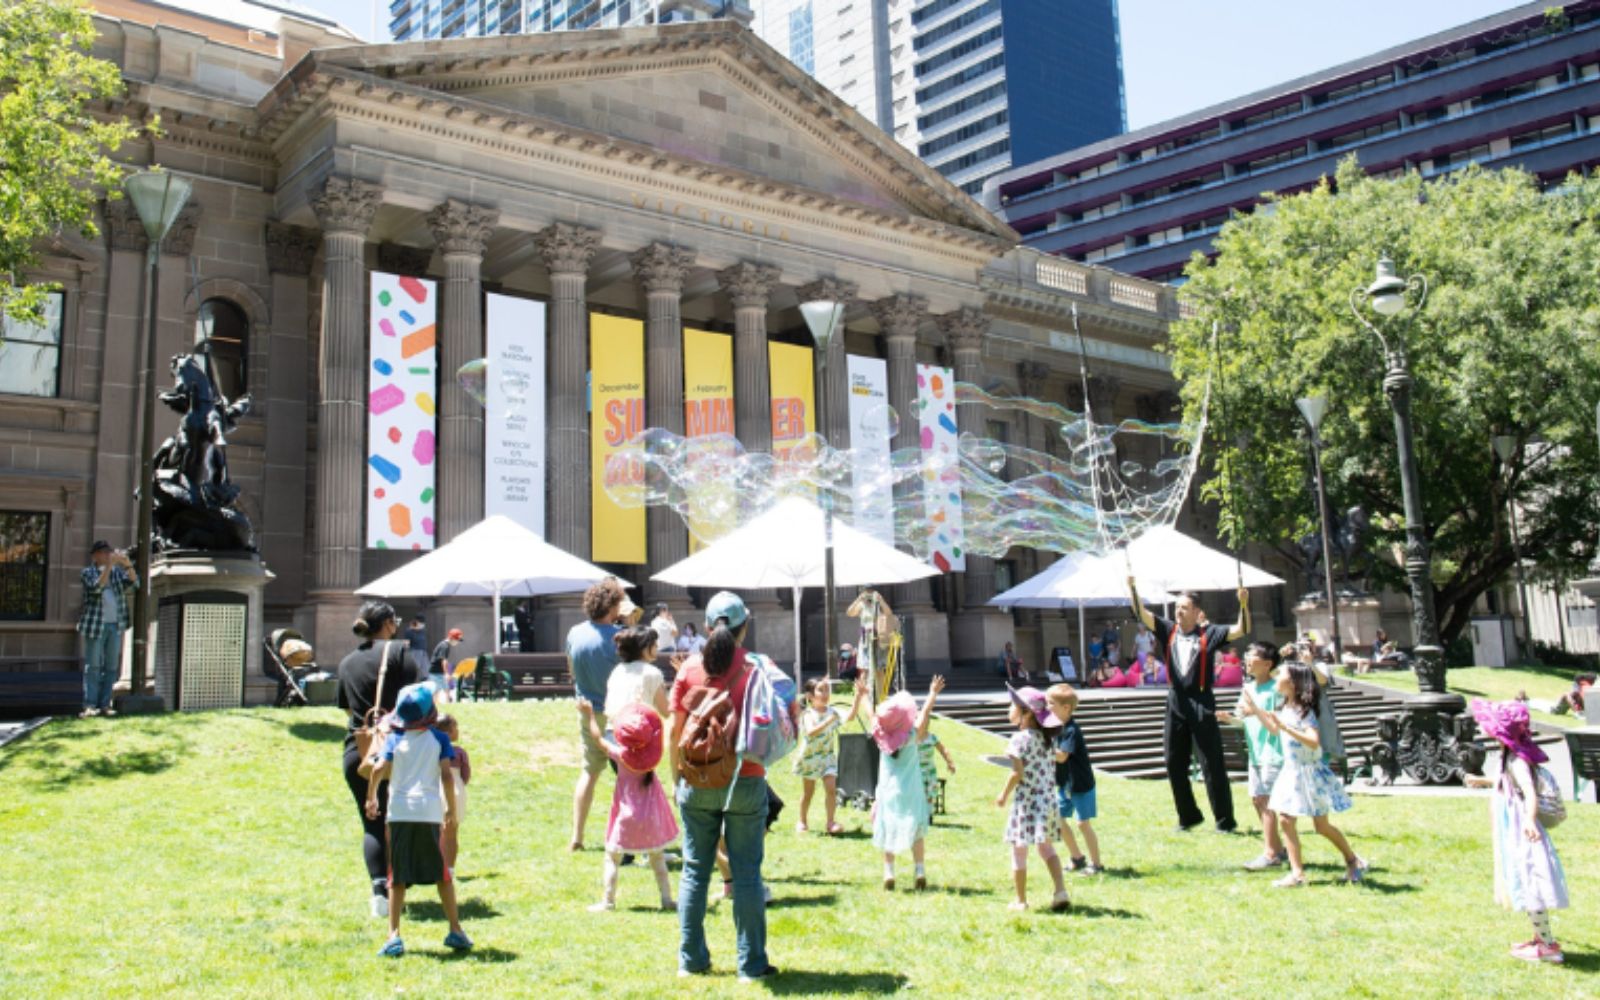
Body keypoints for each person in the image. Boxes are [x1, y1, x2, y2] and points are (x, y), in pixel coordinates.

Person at [669, 591, 784, 982]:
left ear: (705, 628)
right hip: (746, 780)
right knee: (748, 874)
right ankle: (751, 965)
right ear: (745, 627)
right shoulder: (757, 667)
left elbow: (675, 730)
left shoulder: (688, 670)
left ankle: (691, 960)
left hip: (697, 779)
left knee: (694, 870)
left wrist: (676, 777)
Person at [1128, 579, 1250, 833]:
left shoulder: (1210, 633)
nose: (1178, 611)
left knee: (1212, 762)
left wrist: (1244, 604)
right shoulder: (1167, 629)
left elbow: (1241, 629)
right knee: (1173, 761)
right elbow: (1142, 613)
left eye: (1184, 607)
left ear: (1197, 612)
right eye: (1177, 607)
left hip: (1201, 700)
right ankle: (1188, 816)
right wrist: (1133, 589)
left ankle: (1225, 820)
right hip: (1176, 700)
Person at [363, 683, 471, 957]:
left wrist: (372, 797)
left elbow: (378, 767)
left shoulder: (395, 740)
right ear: (430, 713)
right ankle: (455, 929)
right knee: (442, 875)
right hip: (428, 812)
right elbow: (447, 775)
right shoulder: (440, 740)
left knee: (396, 876)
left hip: (398, 813)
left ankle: (393, 935)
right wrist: (448, 809)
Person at [1241, 661, 1364, 888]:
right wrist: (1257, 711)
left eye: (1281, 675)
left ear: (1293, 683)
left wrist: (1287, 728)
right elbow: (1274, 728)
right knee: (1286, 820)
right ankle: (1297, 874)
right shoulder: (1286, 707)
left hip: (1308, 772)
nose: (1276, 677)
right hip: (1291, 771)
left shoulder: (1303, 710)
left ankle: (1352, 860)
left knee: (1321, 827)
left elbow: (1313, 741)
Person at [1463, 699, 1568, 964]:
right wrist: (1483, 781)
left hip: (1522, 829)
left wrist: (1530, 821)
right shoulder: (1509, 756)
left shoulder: (1517, 760)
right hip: (1514, 826)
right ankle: (1539, 937)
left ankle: (1548, 946)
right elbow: (1507, 781)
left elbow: (1529, 791)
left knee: (1531, 880)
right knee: (1524, 880)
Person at [338, 600, 423, 918]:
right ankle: (401, 881)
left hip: (359, 752)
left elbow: (348, 711)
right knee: (402, 820)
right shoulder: (400, 653)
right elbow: (417, 701)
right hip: (398, 748)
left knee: (372, 822)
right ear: (387, 624)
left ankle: (379, 892)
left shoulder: (347, 662)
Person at [578, 701, 679, 913]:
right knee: (657, 858)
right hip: (652, 817)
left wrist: (590, 715)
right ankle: (667, 899)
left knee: (612, 857)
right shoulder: (652, 759)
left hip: (626, 815)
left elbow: (597, 739)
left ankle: (608, 901)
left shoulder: (620, 755)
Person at [865, 675, 945, 891]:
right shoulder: (911, 735)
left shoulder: (880, 735)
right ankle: (919, 870)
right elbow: (925, 714)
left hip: (888, 790)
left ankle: (889, 872)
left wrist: (864, 694)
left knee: (887, 827)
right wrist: (932, 693)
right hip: (911, 789)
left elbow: (871, 714)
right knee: (917, 830)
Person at [996, 686, 1070, 912]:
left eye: (1014, 706)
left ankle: (1020, 900)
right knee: (1047, 849)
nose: (1010, 709)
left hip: (1027, 804)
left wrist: (1003, 795)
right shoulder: (1047, 740)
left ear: (1026, 713)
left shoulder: (1019, 739)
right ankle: (1060, 891)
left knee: (1019, 850)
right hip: (1047, 802)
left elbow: (1017, 773)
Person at [566, 577, 626, 852]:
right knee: (628, 777)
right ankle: (628, 835)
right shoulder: (617, 638)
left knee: (589, 772)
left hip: (587, 710)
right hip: (616, 714)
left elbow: (571, 669)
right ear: (612, 606)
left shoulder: (575, 633)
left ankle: (577, 837)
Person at [1217, 642, 1287, 872]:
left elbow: (1279, 722)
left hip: (1273, 752)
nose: (1247, 660)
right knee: (1257, 800)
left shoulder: (1278, 687)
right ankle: (1277, 849)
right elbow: (1243, 719)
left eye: (1252, 656)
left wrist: (1254, 710)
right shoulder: (1247, 688)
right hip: (1255, 752)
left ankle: (1270, 853)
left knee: (1266, 801)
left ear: (1268, 664)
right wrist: (1230, 719)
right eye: (1246, 655)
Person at [76, 540, 138, 718]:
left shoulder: (118, 573)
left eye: (109, 552)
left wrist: (127, 565)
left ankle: (105, 704)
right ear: (95, 556)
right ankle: (90, 705)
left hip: (115, 625)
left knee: (111, 667)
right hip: (95, 625)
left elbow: (135, 583)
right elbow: (97, 588)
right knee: (93, 666)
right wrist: (110, 566)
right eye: (103, 552)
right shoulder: (87, 573)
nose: (107, 555)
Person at [1045, 685, 1101, 875]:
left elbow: (1061, 756)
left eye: (1050, 703)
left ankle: (1096, 864)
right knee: (1059, 819)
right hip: (1065, 785)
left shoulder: (1071, 730)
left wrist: (1041, 750)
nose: (1047, 707)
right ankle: (1077, 858)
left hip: (1081, 786)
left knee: (1082, 824)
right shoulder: (1054, 728)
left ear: (1066, 708)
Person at [794, 678, 854, 835]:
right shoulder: (807, 714)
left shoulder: (832, 712)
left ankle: (830, 822)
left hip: (827, 758)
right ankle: (802, 821)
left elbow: (851, 717)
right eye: (821, 690)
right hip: (810, 758)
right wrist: (828, 721)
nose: (826, 693)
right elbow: (811, 731)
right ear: (810, 696)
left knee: (831, 789)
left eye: (827, 689)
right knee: (808, 793)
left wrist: (859, 697)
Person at [605, 625, 670, 720]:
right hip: (638, 730)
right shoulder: (652, 673)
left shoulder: (617, 670)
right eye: (654, 643)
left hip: (613, 729)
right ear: (644, 648)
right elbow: (666, 711)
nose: (657, 646)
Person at [436, 714, 469, 875]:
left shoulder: (432, 750)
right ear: (448, 732)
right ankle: (449, 868)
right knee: (452, 832)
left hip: (434, 789)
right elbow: (466, 775)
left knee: (437, 831)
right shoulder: (459, 752)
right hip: (454, 789)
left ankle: (437, 865)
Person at [917, 725, 956, 821]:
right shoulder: (912, 737)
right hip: (916, 771)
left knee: (930, 793)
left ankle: (928, 814)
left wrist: (950, 762)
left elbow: (943, 750)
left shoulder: (932, 737)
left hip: (930, 771)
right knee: (918, 793)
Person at [429, 628, 462, 701]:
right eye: (456, 640)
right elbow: (443, 660)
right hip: (435, 671)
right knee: (438, 690)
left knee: (443, 689)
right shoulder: (445, 646)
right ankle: (440, 705)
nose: (457, 642)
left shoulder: (444, 644)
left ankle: (445, 703)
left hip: (436, 671)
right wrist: (446, 673)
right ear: (451, 638)